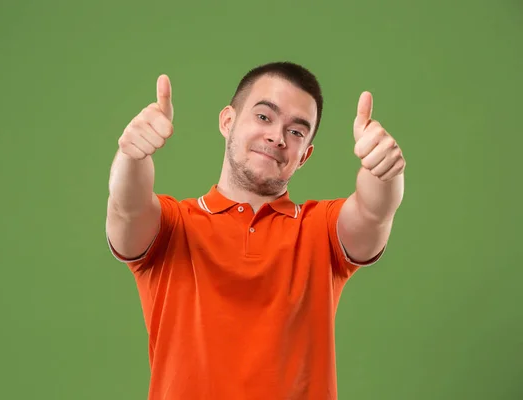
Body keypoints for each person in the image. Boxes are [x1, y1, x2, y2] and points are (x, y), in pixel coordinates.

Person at [105, 61, 405, 400]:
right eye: (264, 116)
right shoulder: (171, 226)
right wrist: (131, 155)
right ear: (228, 121)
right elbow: (126, 204)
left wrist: (384, 171)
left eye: (296, 131)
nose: (277, 137)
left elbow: (374, 210)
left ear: (304, 156)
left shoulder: (322, 230)